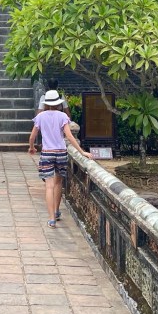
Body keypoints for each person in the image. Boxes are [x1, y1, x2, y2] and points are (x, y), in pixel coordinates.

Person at [28, 89, 93, 228]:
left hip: (47, 153)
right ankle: (57, 211)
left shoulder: (40, 116)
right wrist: (82, 152)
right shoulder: (62, 116)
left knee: (49, 186)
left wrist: (32, 148)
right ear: (58, 103)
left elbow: (32, 137)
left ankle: (51, 219)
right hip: (61, 152)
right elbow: (69, 136)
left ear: (46, 103)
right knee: (58, 183)